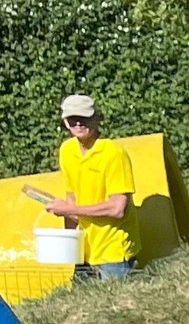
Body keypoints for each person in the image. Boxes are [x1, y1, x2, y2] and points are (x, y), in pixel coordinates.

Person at [20, 93, 135, 279]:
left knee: (115, 298)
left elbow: (117, 208)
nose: (79, 124)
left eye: (84, 118)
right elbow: (72, 199)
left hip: (113, 252)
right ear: (65, 122)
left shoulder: (114, 154)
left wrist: (69, 209)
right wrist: (69, 240)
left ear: (96, 119)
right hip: (83, 249)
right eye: (73, 119)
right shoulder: (67, 150)